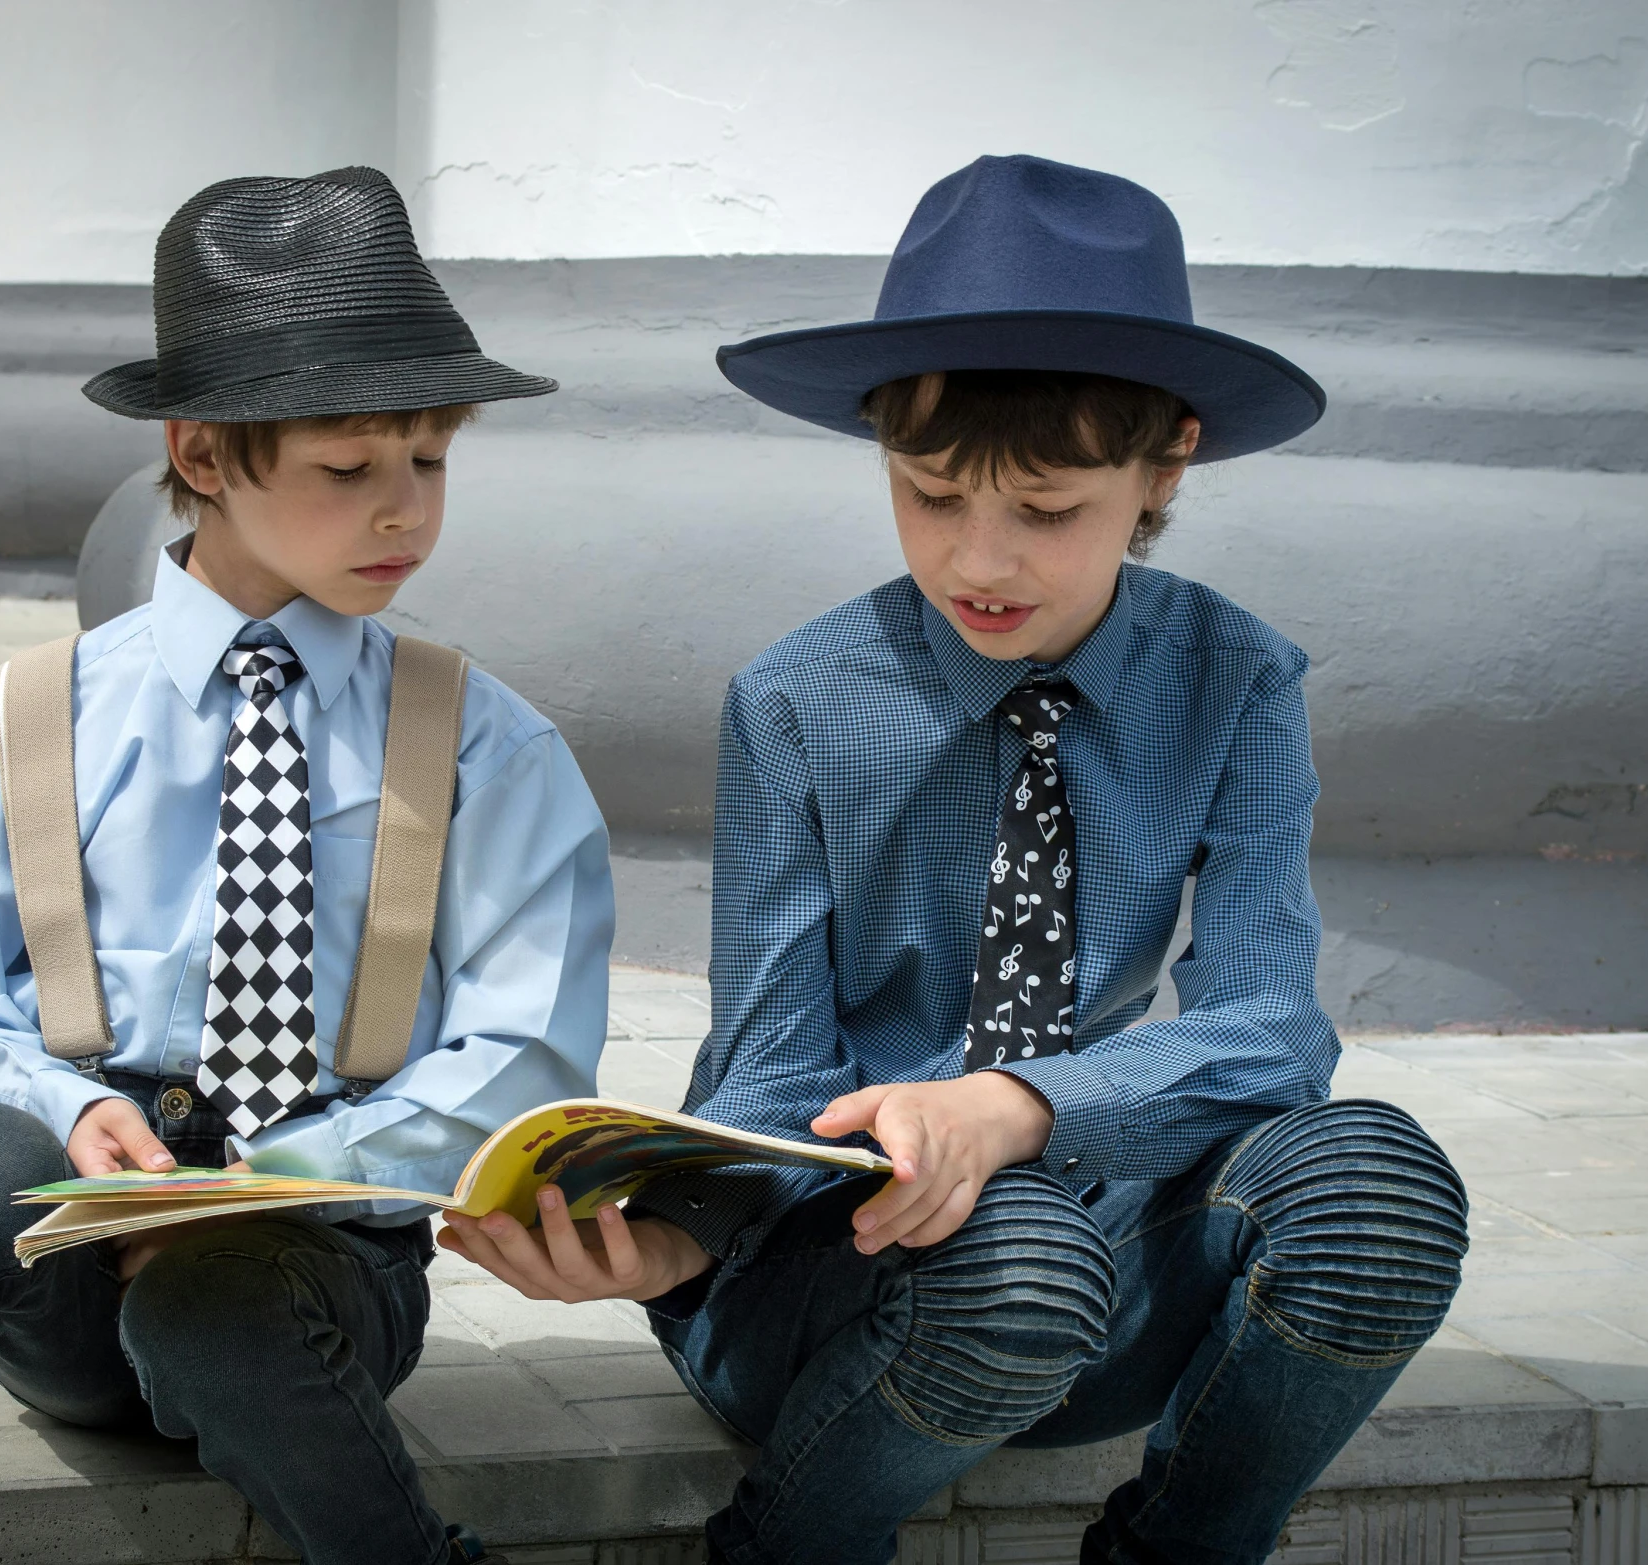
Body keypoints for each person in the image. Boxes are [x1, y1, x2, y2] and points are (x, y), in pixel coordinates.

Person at [436, 155, 1468, 1565]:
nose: (977, 560)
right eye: (928, 496)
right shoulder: (798, 700)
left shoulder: (1231, 680)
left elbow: (1268, 1029)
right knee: (1018, 1253)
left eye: (1045, 511)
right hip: (831, 1283)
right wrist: (675, 1241)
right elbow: (772, 1068)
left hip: (1083, 1256)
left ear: (1165, 462)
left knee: (1371, 1182)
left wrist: (1013, 1108)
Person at [0, 169, 614, 1565]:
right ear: (203, 457)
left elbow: (523, 1054)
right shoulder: (32, 721)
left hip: (317, 1271)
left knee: (221, 1294)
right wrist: (60, 1112)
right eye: (349, 468)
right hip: (68, 1267)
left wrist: (281, 1179)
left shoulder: (485, 748)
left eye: (430, 461)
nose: (406, 511)